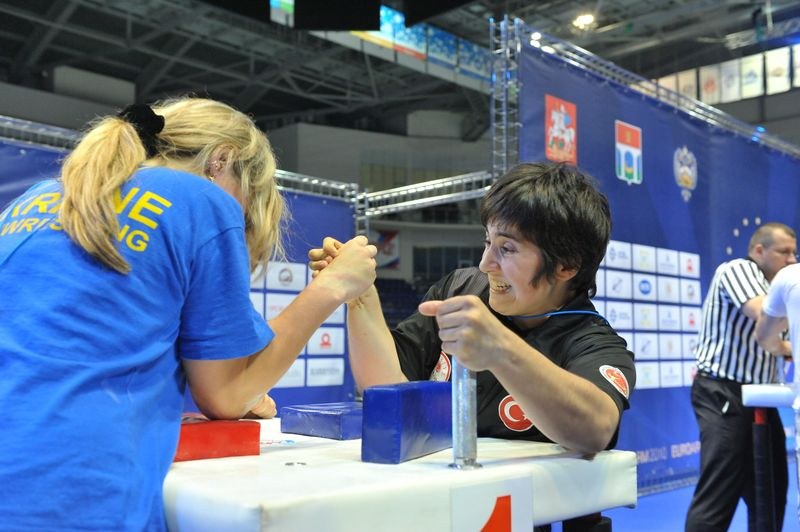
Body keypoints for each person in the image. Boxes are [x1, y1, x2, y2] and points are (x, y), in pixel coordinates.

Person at [0, 98, 377, 531]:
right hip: (74, 492)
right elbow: (225, 396)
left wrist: (240, 379)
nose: (242, 214)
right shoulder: (198, 199)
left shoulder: (38, 199)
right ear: (222, 160)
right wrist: (331, 288)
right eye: (248, 196)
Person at [310, 161, 636, 454]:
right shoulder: (461, 289)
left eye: (507, 249)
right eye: (487, 242)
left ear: (566, 266)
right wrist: (360, 294)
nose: (485, 264)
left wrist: (501, 349)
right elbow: (387, 390)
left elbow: (595, 430)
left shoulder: (594, 342)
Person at [685, 222, 797, 532]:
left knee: (772, 492)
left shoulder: (784, 291)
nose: (792, 260)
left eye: (794, 253)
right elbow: (761, 314)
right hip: (723, 391)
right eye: (784, 252)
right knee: (719, 491)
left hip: (760, 398)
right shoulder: (738, 269)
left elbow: (780, 342)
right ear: (759, 251)